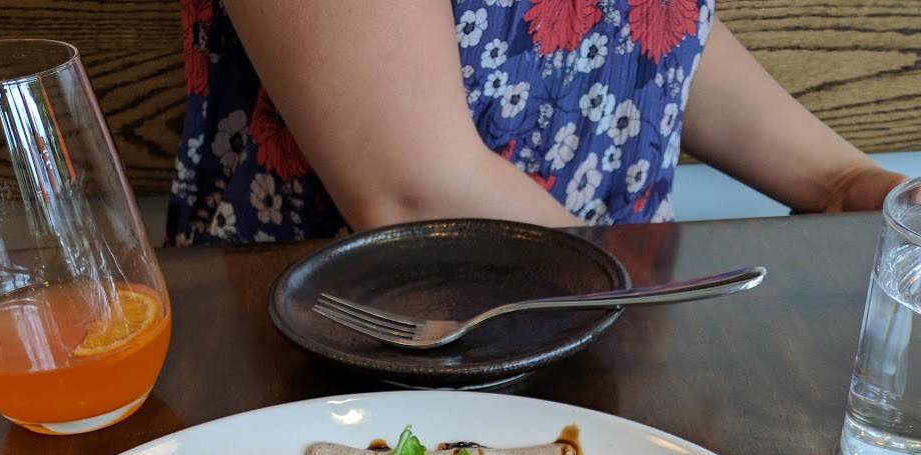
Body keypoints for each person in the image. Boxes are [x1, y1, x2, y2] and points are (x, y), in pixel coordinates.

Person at [168, 0, 904, 246]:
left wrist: (845, 181)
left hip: (605, 333)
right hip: (349, 385)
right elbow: (417, 192)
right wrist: (657, 316)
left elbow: (634, 31)